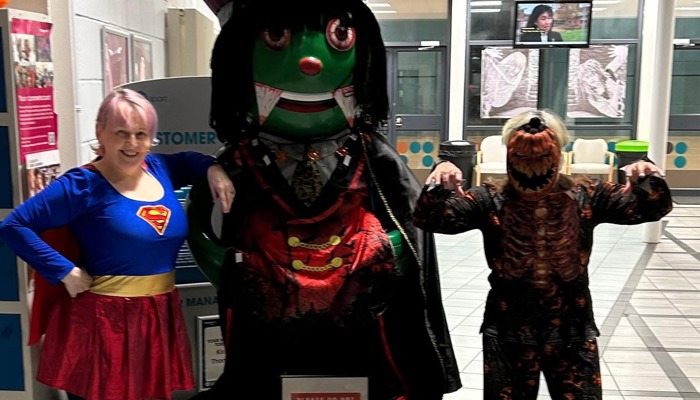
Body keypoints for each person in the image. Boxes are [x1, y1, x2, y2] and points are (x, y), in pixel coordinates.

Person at [186, 0, 461, 399]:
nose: (310, 63)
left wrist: (393, 248)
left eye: (340, 36)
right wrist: (227, 262)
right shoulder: (242, 159)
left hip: (360, 316)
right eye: (276, 36)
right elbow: (201, 214)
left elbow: (413, 219)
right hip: (269, 322)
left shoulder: (371, 153)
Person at [413, 109, 673, 400]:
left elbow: (653, 208)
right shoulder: (490, 198)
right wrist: (440, 178)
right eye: (522, 156)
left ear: (557, 153)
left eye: (541, 156)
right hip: (508, 329)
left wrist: (647, 173)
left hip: (572, 329)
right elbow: (430, 219)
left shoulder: (587, 194)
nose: (531, 165)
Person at [0, 88, 235, 400]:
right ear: (100, 131)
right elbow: (14, 225)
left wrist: (213, 169)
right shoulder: (81, 185)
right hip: (101, 322)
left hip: (156, 315)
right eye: (121, 133)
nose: (132, 143)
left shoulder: (159, 168)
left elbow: (191, 161)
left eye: (141, 134)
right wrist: (63, 271)